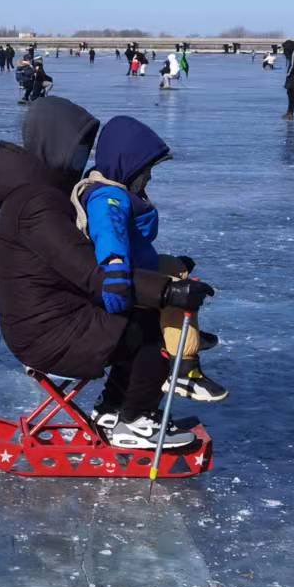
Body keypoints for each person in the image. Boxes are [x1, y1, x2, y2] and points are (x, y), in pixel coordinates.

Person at [0, 97, 209, 452]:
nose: (82, 160)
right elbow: (89, 271)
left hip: (51, 317)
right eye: (78, 150)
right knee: (147, 329)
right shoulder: (37, 204)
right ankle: (135, 421)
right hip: (46, 333)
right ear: (55, 144)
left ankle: (112, 411)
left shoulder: (41, 194)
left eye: (84, 150)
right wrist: (167, 292)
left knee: (133, 318)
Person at [72, 115, 227, 417]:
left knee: (175, 268)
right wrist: (116, 277)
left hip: (132, 271)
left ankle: (113, 405)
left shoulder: (114, 190)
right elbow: (110, 239)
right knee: (174, 289)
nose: (150, 178)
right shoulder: (108, 199)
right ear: (127, 166)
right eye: (147, 171)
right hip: (118, 283)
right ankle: (184, 365)